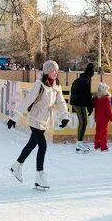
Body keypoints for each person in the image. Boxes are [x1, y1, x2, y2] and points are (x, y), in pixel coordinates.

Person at [7, 60, 69, 190]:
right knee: (43, 146)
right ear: (47, 72)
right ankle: (39, 177)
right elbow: (27, 101)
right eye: (53, 70)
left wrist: (65, 117)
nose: (55, 73)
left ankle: (17, 165)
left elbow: (61, 102)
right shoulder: (39, 85)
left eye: (56, 70)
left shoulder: (56, 85)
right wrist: (14, 118)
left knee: (31, 145)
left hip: (44, 121)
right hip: (35, 119)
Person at [69, 63, 95, 153]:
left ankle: (79, 143)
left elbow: (73, 91)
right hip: (79, 103)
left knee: (83, 122)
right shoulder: (86, 80)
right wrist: (90, 108)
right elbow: (87, 96)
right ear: (91, 72)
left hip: (76, 102)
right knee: (83, 122)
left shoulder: (79, 79)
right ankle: (79, 143)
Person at [92, 82, 112, 151]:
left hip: (97, 118)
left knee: (98, 131)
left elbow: (93, 105)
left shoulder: (96, 98)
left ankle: (97, 145)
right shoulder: (106, 99)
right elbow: (108, 110)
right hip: (104, 118)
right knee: (104, 132)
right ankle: (104, 147)